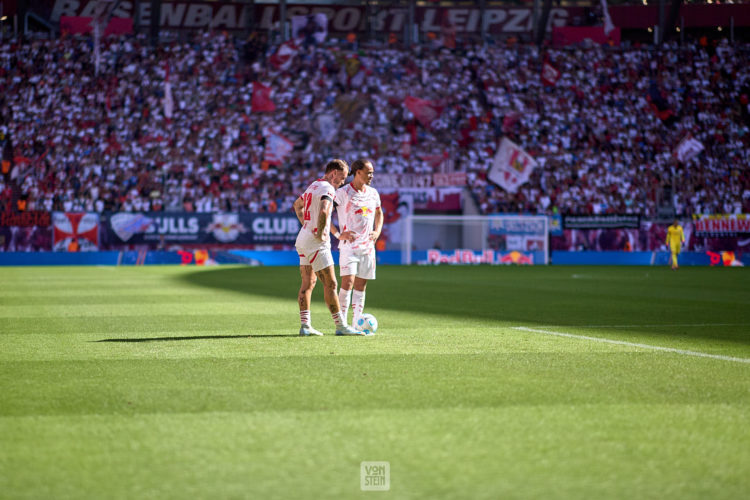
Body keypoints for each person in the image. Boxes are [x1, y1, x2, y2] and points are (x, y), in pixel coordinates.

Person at [293, 159, 363, 337]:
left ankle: (305, 326)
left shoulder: (314, 185)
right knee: (331, 283)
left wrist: (307, 225)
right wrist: (320, 232)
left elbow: (297, 205)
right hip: (316, 242)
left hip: (303, 238)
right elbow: (324, 210)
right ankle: (341, 326)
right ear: (333, 173)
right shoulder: (328, 189)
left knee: (308, 283)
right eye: (342, 177)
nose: (343, 181)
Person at [331, 159, 383, 332]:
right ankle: (342, 324)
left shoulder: (373, 193)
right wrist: (338, 234)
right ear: (358, 172)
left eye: (372, 172)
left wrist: (377, 232)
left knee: (361, 286)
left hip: (368, 247)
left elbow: (379, 213)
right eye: (368, 172)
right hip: (349, 246)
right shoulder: (343, 193)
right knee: (348, 282)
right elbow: (324, 213)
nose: (371, 176)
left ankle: (356, 324)